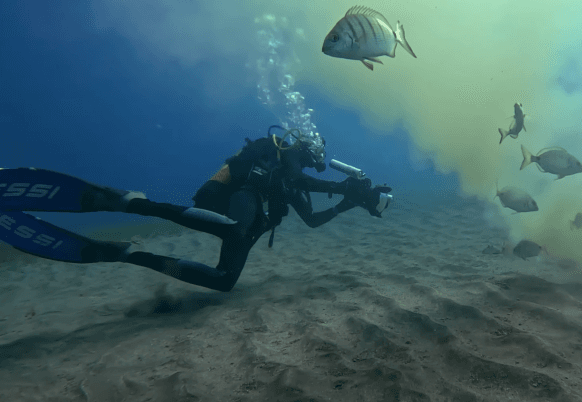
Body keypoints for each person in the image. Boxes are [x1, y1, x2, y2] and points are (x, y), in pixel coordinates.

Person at [0, 127, 392, 292]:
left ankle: (127, 253)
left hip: (249, 219)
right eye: (313, 152)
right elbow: (301, 181)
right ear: (304, 146)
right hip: (240, 199)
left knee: (224, 281)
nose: (314, 158)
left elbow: (311, 218)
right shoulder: (281, 156)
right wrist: (344, 187)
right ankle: (132, 202)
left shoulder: (292, 175)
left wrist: (346, 204)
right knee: (235, 226)